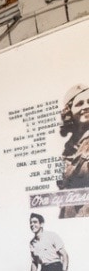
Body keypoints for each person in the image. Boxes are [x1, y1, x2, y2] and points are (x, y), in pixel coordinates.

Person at [58, 83, 89, 218]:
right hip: (70, 215)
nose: (86, 107)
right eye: (79, 104)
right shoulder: (68, 149)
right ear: (69, 112)